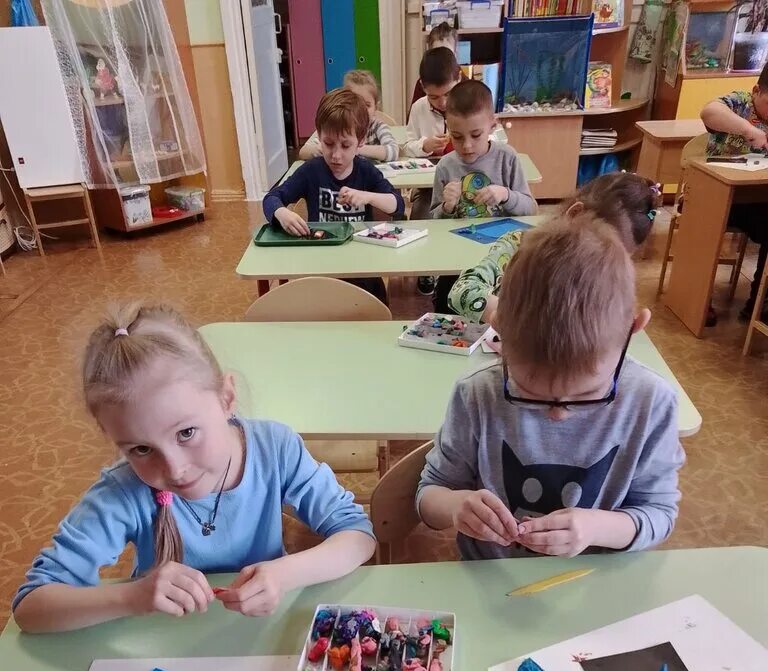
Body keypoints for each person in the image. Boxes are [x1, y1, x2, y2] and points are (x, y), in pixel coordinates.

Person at [13, 305, 376, 633]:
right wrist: (133, 597)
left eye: (186, 433)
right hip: (161, 649)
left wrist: (284, 575)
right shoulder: (122, 492)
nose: (174, 468)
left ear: (226, 398)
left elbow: (357, 535)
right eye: (141, 449)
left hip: (262, 638)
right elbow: (31, 607)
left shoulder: (274, 448)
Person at [416, 215, 684, 560]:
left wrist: (596, 528)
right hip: (493, 580)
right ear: (499, 328)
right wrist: (455, 506)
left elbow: (660, 513)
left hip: (598, 584)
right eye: (528, 392)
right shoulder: (478, 395)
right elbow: (429, 493)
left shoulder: (651, 402)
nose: (557, 415)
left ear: (633, 328)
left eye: (588, 394)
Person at [448, 172, 661, 326]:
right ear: (575, 214)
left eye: (620, 257)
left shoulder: (607, 273)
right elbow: (462, 292)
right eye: (603, 247)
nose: (607, 261)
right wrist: (506, 319)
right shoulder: (519, 246)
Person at [263, 88, 404, 302]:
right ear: (318, 135)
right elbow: (271, 199)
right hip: (321, 268)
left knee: (375, 306)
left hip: (361, 269)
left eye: (346, 145)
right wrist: (281, 213)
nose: (336, 155)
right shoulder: (311, 171)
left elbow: (398, 204)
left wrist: (368, 196)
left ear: (361, 141)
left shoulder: (366, 171)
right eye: (328, 144)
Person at [430, 79, 536, 312]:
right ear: (448, 127)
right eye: (457, 137)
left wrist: (506, 194)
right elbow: (433, 224)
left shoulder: (507, 157)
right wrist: (446, 207)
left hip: (501, 259)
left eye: (476, 135)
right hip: (456, 260)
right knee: (448, 310)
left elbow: (531, 209)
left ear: (492, 126)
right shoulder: (446, 166)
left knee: (503, 313)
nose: (467, 145)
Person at [701, 64, 768, 321]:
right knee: (704, 227)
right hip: (715, 195)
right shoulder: (740, 102)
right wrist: (749, 130)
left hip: (756, 201)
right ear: (756, 91)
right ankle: (697, 298)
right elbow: (709, 112)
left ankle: (759, 302)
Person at [406, 45, 463, 296]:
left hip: (466, 180)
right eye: (434, 97)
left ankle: (459, 269)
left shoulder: (472, 103)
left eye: (447, 94)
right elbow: (407, 145)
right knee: (420, 213)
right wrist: (425, 145)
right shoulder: (419, 108)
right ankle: (426, 268)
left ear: (459, 78)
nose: (442, 103)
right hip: (429, 183)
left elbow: (494, 139)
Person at [299, 71, 398, 163]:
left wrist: (355, 149)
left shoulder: (377, 126)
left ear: (376, 107)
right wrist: (326, 148)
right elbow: (303, 152)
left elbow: (393, 152)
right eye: (355, 103)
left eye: (367, 105)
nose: (361, 110)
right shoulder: (334, 124)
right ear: (344, 102)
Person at [409, 23, 461, 112]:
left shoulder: (467, 84)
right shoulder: (425, 83)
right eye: (434, 96)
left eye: (447, 54)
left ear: (455, 54)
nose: (443, 103)